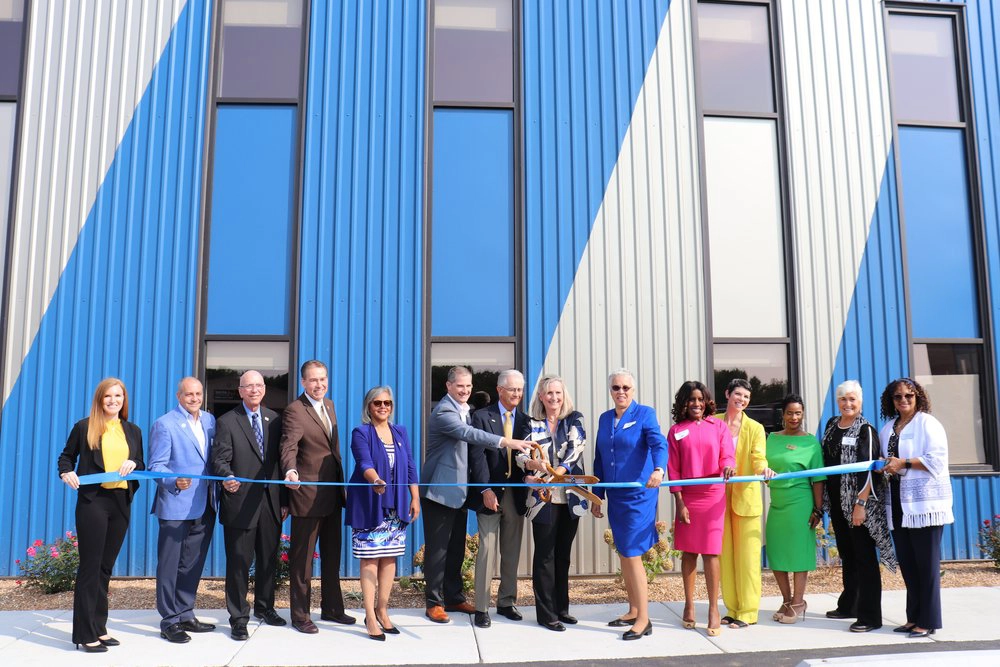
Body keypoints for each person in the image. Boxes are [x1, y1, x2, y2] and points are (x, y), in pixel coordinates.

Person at [420, 366, 530, 624]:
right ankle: (433, 603)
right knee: (438, 550)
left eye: (469, 386)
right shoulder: (444, 412)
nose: (465, 390)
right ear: (448, 386)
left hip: (460, 492)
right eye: (460, 386)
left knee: (456, 548)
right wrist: (506, 441)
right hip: (439, 490)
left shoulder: (466, 410)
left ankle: (454, 597)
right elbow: (468, 435)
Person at [57, 377, 144, 652]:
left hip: (120, 502)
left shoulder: (133, 430)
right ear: (99, 399)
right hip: (94, 503)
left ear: (124, 400)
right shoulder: (85, 427)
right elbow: (66, 457)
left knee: (106, 568)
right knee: (90, 568)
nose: (113, 401)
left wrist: (134, 462)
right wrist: (66, 472)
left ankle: (99, 627)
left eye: (118, 396)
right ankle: (84, 634)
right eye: (108, 396)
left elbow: (140, 461)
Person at [212, 370, 288, 641]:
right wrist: (227, 477)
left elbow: (282, 462)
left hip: (271, 502)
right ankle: (238, 618)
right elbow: (219, 460)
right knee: (239, 563)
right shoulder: (227, 422)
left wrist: (285, 500)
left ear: (264, 389)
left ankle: (265, 608)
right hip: (240, 503)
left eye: (258, 385)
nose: (254, 390)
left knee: (268, 560)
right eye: (248, 386)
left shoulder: (275, 420)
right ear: (240, 391)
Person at [592, 369, 667, 641]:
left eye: (625, 387)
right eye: (615, 387)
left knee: (633, 552)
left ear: (633, 391)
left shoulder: (644, 414)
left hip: (639, 495)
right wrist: (596, 494)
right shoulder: (604, 418)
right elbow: (599, 459)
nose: (620, 392)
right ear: (610, 390)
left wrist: (659, 469)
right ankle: (633, 609)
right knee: (624, 551)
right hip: (615, 496)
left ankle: (644, 620)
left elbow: (659, 443)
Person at [280, 360, 354, 633]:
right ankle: (300, 615)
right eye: (313, 380)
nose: (319, 384)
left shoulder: (330, 406)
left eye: (322, 379)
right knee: (303, 561)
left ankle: (333, 609)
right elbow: (288, 446)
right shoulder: (295, 411)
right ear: (303, 383)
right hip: (307, 497)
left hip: (333, 496)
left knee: (332, 557)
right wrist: (290, 470)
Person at [878, 378, 954, 638]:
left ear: (918, 397)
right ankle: (913, 618)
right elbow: (887, 461)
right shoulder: (888, 428)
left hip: (924, 504)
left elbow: (937, 460)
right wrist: (884, 464)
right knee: (908, 564)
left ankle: (929, 620)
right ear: (891, 401)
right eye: (898, 397)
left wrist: (904, 463)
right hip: (898, 503)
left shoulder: (928, 423)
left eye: (909, 396)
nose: (903, 400)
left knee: (927, 566)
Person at [820, 380, 896, 633]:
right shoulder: (832, 425)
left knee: (864, 559)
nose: (847, 404)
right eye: (843, 399)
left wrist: (860, 505)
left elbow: (870, 471)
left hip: (859, 505)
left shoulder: (866, 430)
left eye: (852, 399)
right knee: (848, 556)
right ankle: (849, 605)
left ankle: (870, 616)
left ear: (860, 402)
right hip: (838, 505)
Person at [346, 385, 420, 640]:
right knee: (370, 560)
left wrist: (415, 497)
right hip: (370, 503)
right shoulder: (361, 432)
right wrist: (375, 480)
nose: (383, 407)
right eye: (377, 403)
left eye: (387, 403)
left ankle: (382, 610)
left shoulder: (400, 431)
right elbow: (363, 462)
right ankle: (369, 616)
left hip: (396, 507)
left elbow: (410, 465)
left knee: (389, 559)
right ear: (369, 406)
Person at [148, 377, 218, 643]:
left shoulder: (210, 421)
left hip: (206, 503)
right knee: (169, 564)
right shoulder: (164, 424)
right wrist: (173, 480)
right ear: (179, 396)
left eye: (198, 393)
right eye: (189, 394)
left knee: (192, 563)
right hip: (176, 504)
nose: (194, 398)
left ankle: (186, 613)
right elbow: (156, 465)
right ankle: (169, 620)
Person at [667, 380, 734, 637]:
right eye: (691, 399)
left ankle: (714, 609)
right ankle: (689, 604)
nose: (696, 404)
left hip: (713, 495)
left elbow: (727, 454)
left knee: (711, 553)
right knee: (689, 553)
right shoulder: (676, 431)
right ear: (683, 403)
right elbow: (673, 469)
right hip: (688, 497)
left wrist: (728, 465)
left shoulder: (718, 426)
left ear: (707, 401)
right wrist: (680, 502)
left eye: (700, 399)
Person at [520, 375, 587, 632]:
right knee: (545, 556)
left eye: (558, 393)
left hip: (570, 496)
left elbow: (576, 447)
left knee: (563, 556)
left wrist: (559, 469)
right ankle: (546, 614)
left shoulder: (574, 418)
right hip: (543, 497)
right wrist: (528, 464)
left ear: (563, 394)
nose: (554, 398)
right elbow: (522, 453)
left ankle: (562, 608)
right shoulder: (530, 422)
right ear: (541, 396)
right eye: (549, 393)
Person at [469, 370, 529, 628]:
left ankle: (506, 602)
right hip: (490, 495)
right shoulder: (481, 417)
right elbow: (477, 455)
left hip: (516, 496)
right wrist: (485, 489)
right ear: (499, 390)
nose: (516, 394)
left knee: (512, 552)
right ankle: (482, 607)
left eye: (520, 390)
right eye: (512, 389)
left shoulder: (527, 422)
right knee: (487, 550)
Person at [764, 394, 826, 624]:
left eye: (798, 413)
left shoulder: (810, 442)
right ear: (783, 414)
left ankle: (799, 602)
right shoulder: (771, 439)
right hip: (777, 501)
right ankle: (787, 599)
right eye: (789, 412)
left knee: (799, 552)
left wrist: (818, 510)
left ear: (803, 414)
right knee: (777, 551)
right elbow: (763, 465)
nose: (794, 417)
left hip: (801, 501)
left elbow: (818, 479)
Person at [718, 378, 774, 628]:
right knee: (726, 558)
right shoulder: (714, 422)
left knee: (748, 560)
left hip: (746, 501)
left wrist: (764, 470)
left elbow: (758, 457)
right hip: (718, 501)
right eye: (738, 394)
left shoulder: (755, 428)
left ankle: (748, 612)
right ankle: (732, 608)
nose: (741, 400)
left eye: (746, 397)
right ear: (728, 393)